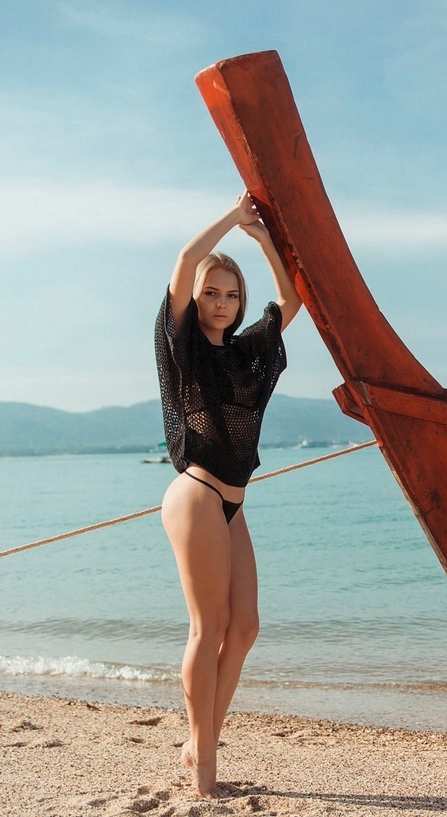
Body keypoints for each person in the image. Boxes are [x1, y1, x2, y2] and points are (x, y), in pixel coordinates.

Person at [155, 192, 301, 797]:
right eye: (212, 293)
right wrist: (232, 218)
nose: (221, 303)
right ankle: (205, 770)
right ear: (196, 299)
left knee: (244, 629)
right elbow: (186, 260)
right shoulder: (182, 345)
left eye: (231, 295)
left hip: (233, 502)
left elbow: (291, 301)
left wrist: (261, 239)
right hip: (196, 494)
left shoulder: (246, 353)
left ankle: (200, 742)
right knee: (208, 627)